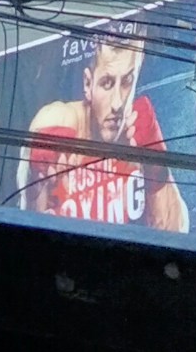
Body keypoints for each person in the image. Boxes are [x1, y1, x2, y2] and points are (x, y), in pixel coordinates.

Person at [23, 30, 187, 232]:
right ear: (88, 84)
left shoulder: (138, 134)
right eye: (107, 83)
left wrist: (156, 167)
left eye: (127, 82)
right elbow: (29, 232)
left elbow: (175, 232)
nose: (117, 103)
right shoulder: (60, 120)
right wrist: (36, 177)